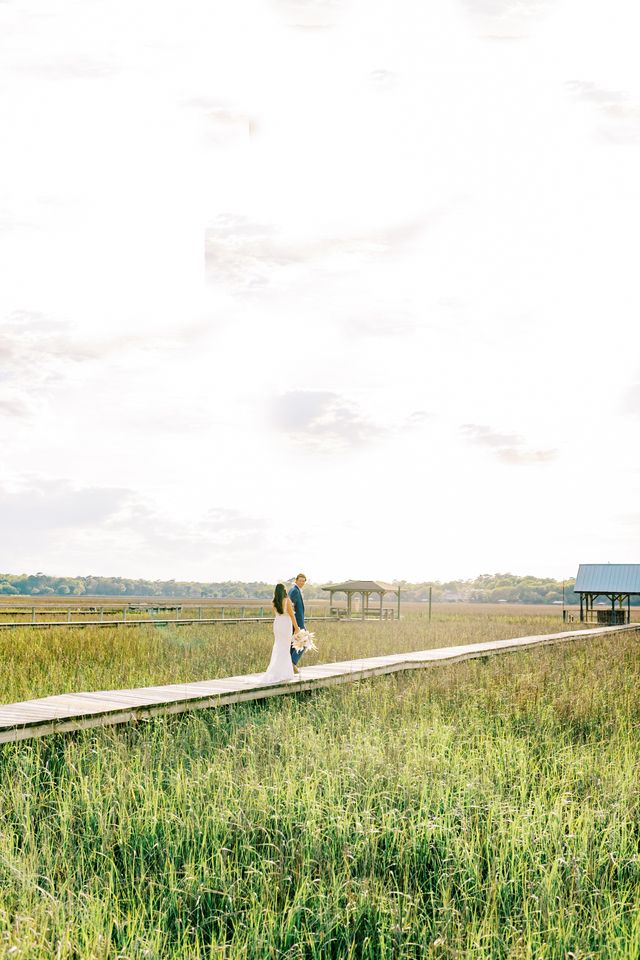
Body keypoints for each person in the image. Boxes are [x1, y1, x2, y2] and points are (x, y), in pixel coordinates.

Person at [262, 583, 300, 684]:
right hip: (285, 624)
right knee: (285, 648)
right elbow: (292, 615)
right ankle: (284, 673)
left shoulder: (274, 602)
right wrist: (297, 628)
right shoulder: (286, 600)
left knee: (279, 647)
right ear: (284, 591)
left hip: (278, 624)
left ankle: (277, 671)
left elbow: (278, 614)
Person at [288, 573, 307, 672]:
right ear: (296, 580)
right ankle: (292, 663)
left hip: (297, 622)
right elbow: (289, 606)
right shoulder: (295, 591)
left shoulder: (296, 590)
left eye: (303, 581)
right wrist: (296, 625)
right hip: (297, 622)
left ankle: (289, 665)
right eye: (300, 580)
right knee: (305, 641)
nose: (302, 582)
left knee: (294, 644)